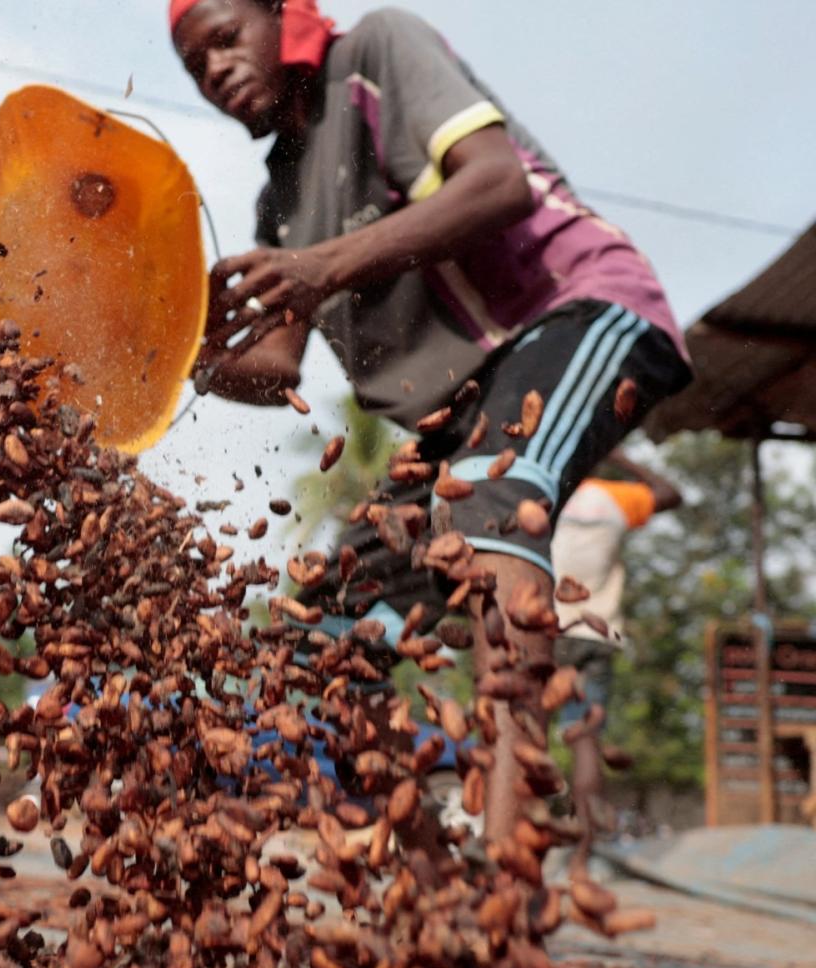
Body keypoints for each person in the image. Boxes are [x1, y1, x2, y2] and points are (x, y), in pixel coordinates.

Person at [169, 0, 692, 844]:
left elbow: (498, 180)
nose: (216, 72)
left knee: (493, 502)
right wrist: (165, 359)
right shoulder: (280, 202)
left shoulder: (378, 49)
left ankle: (508, 869)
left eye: (227, 39)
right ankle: (425, 890)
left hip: (572, 313)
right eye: (196, 66)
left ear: (281, 15)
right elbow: (273, 368)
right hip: (462, 415)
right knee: (326, 618)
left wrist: (319, 266)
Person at [552, 450, 680, 872]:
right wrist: (620, 456)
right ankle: (584, 856)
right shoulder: (614, 499)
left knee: (524, 730)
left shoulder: (547, 494)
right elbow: (671, 493)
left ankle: (514, 841)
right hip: (597, 634)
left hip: (545, 632)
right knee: (585, 738)